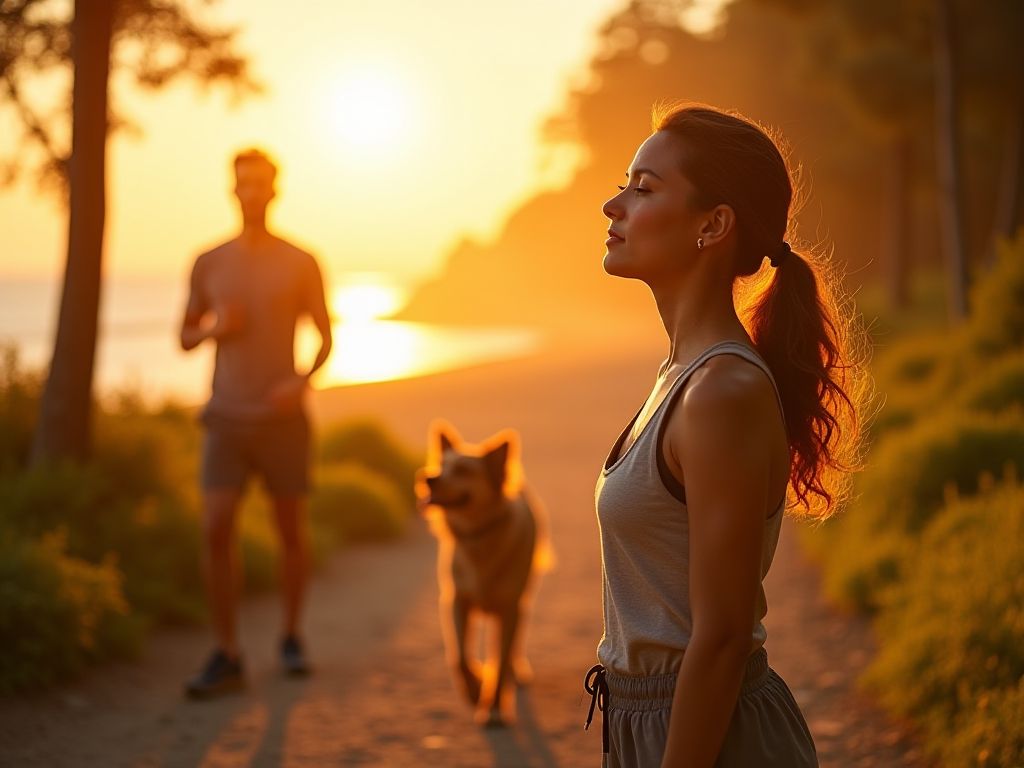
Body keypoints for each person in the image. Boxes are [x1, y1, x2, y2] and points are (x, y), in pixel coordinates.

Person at [584, 104, 866, 766]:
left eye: (643, 188)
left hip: (709, 737)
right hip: (650, 723)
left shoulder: (722, 393)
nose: (611, 204)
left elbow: (721, 637)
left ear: (712, 224)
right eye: (625, 183)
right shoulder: (681, 375)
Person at [179, 148, 333, 699]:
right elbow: (185, 337)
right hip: (224, 418)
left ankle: (291, 637)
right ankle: (227, 653)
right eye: (242, 184)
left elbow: (325, 337)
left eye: (260, 184)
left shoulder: (300, 260)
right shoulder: (208, 261)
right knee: (216, 529)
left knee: (290, 531)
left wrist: (300, 382)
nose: (251, 193)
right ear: (231, 190)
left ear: (275, 190)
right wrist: (216, 328)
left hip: (281, 421)